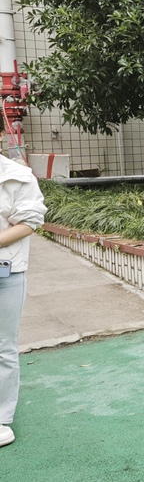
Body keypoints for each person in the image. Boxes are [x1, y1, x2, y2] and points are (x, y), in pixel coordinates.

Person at [0, 154, 47, 448]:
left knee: (3, 347)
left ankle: (2, 418)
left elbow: (30, 222)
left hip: (5, 273)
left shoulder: (17, 175)